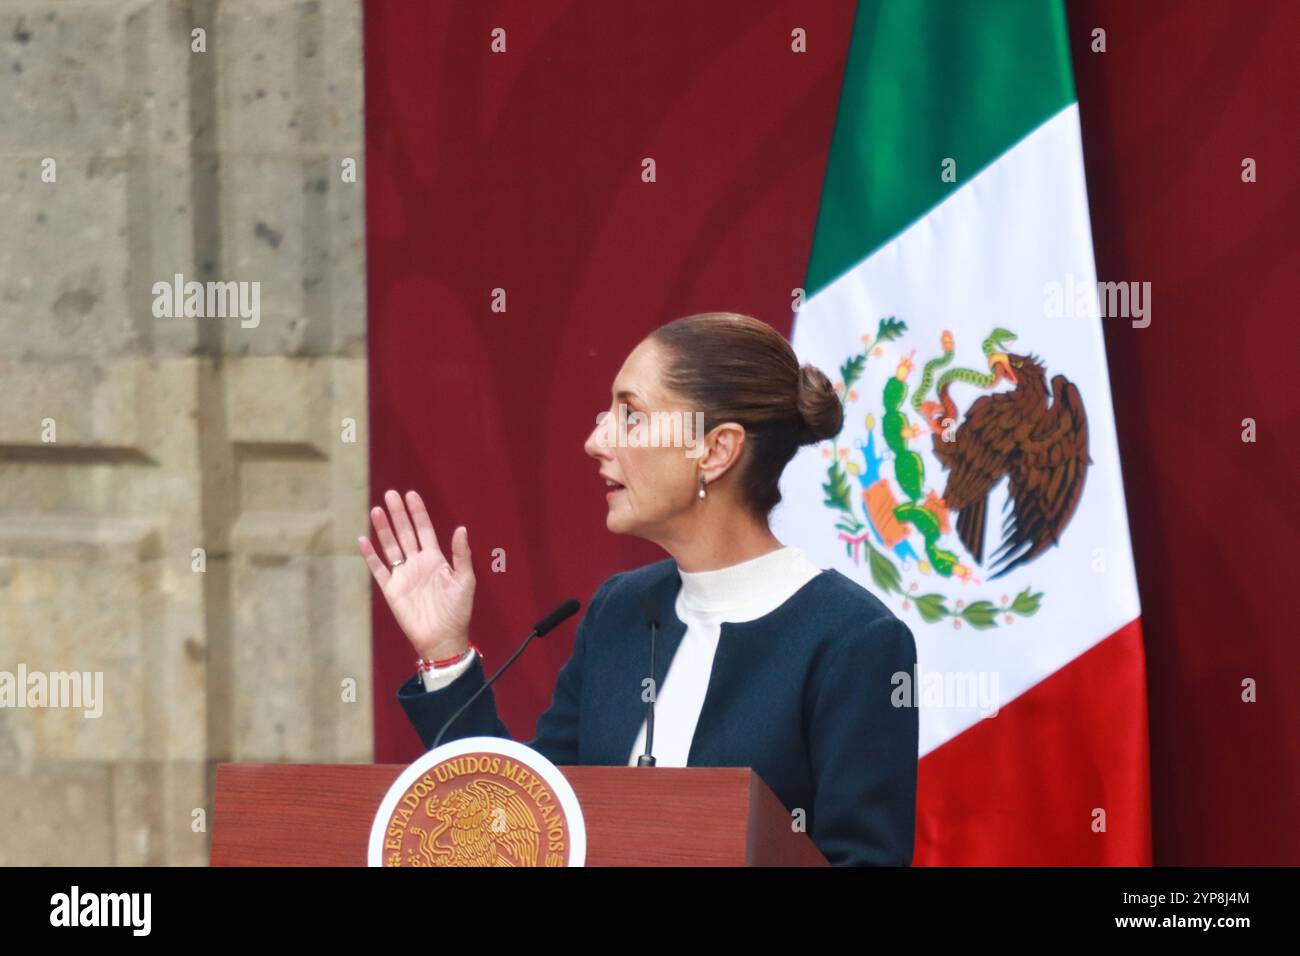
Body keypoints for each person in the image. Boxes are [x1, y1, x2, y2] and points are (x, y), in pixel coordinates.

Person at [358, 311, 919, 866]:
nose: (595, 440)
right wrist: (444, 653)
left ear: (717, 450)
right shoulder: (620, 610)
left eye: (630, 415)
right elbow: (524, 816)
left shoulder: (855, 641)